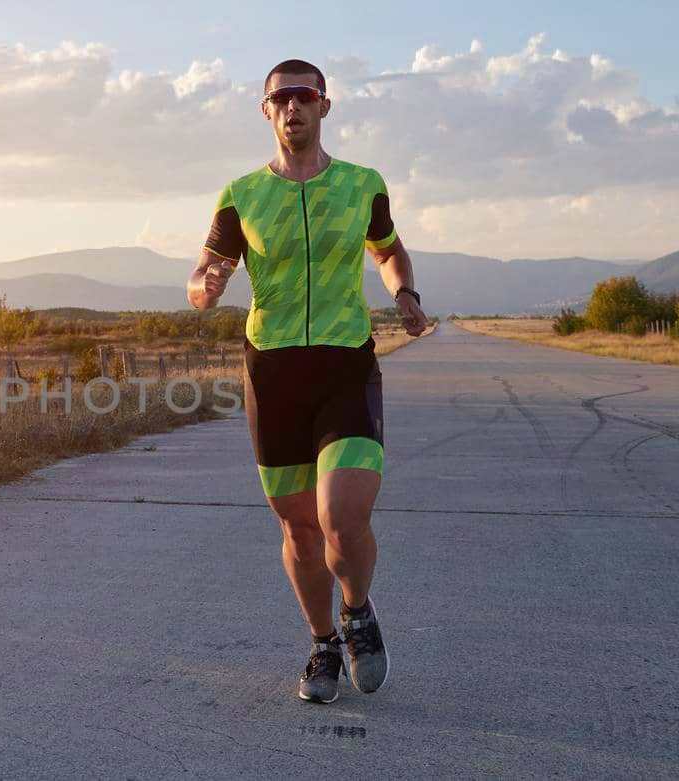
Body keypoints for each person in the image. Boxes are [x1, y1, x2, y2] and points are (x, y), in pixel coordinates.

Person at [186, 58, 427, 704]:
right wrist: (205, 287)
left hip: (345, 365)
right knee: (298, 529)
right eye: (280, 98)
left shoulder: (361, 185)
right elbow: (205, 269)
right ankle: (323, 641)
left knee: (341, 519)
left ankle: (357, 612)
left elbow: (388, 248)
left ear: (325, 106)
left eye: (305, 96)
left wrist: (403, 290)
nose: (293, 107)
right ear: (266, 111)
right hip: (274, 372)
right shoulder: (241, 195)